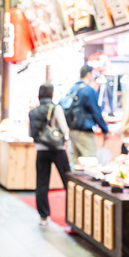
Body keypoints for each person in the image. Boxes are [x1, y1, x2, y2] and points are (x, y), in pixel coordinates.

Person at [29, 83, 70, 226]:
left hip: (41, 149)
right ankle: (72, 214)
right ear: (52, 94)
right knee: (68, 181)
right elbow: (64, 129)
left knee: (41, 183)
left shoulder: (33, 112)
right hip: (56, 148)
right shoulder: (55, 108)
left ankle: (43, 216)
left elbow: (32, 133)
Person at [68, 65, 109, 165]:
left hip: (72, 131)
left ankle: (71, 181)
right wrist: (105, 129)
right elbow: (96, 112)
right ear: (88, 74)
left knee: (74, 163)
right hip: (85, 132)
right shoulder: (88, 90)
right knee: (91, 163)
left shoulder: (73, 88)